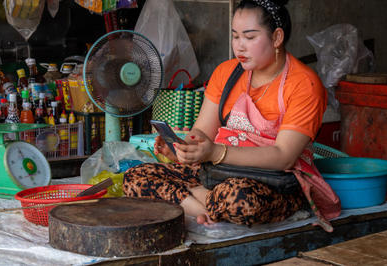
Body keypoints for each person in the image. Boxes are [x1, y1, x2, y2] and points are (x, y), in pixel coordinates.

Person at [123, 0, 341, 231]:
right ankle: (206, 208)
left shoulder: (303, 84)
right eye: (235, 36)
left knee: (241, 200)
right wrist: (184, 149)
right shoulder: (226, 73)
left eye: (249, 37)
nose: (239, 47)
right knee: (135, 177)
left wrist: (216, 152)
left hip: (274, 184)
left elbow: (284, 156)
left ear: (277, 38)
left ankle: (196, 202)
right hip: (217, 174)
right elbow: (201, 133)